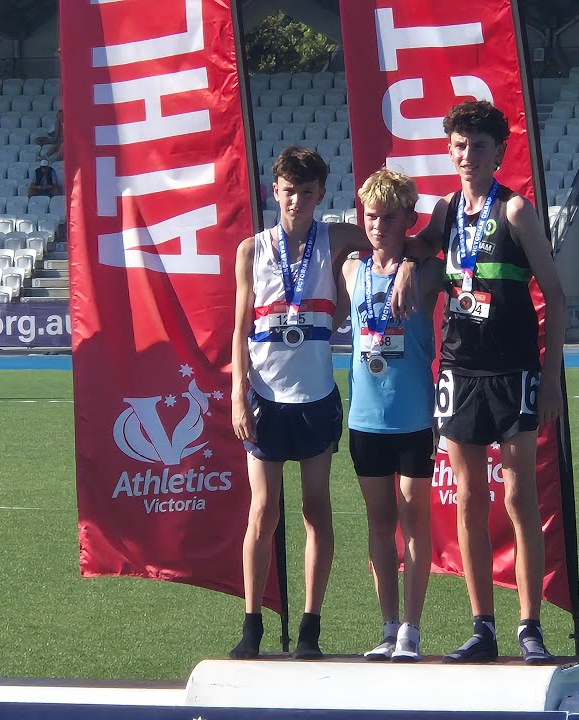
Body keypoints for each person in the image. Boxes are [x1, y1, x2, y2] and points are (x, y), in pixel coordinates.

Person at [229, 146, 423, 661]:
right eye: (289, 191)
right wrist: (236, 394)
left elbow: (404, 240)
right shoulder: (251, 250)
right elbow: (239, 327)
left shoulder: (336, 237)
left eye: (307, 193)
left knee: (317, 510)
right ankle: (252, 625)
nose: (297, 201)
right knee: (263, 511)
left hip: (316, 398)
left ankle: (311, 627)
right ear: (275, 191)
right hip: (265, 398)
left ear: (320, 196)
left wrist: (406, 265)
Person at [400, 99, 566, 665]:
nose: (467, 155)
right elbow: (417, 245)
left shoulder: (516, 212)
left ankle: (529, 626)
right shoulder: (446, 209)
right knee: (469, 499)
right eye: (459, 145)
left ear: (499, 153)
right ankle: (482, 626)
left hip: (514, 370)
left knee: (519, 498)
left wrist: (549, 382)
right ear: (449, 150)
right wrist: (405, 264)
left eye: (479, 146)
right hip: (459, 371)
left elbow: (559, 299)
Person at [341, 168, 444, 662]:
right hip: (365, 417)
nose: (377, 226)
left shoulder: (426, 274)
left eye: (389, 217)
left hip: (412, 417)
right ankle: (386, 627)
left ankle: (412, 629)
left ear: (407, 219)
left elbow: (439, 246)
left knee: (413, 519)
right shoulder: (350, 270)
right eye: (371, 216)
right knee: (379, 522)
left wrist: (410, 261)